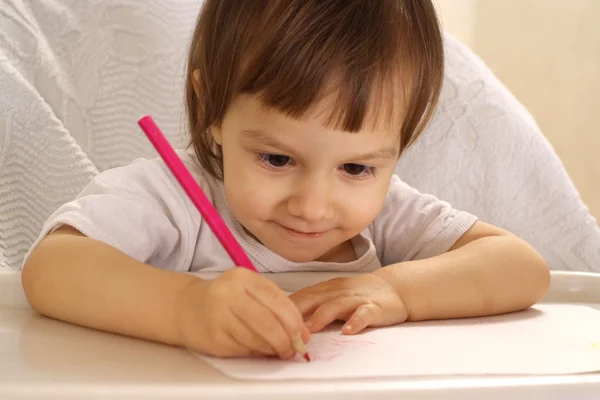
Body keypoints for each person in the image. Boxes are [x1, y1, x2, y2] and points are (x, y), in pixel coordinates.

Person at [21, 0, 550, 360]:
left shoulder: (387, 214)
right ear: (213, 109)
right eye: (277, 159)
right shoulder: (174, 195)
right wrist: (185, 309)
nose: (314, 206)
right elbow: (52, 267)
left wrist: (395, 289)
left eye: (357, 168)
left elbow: (521, 268)